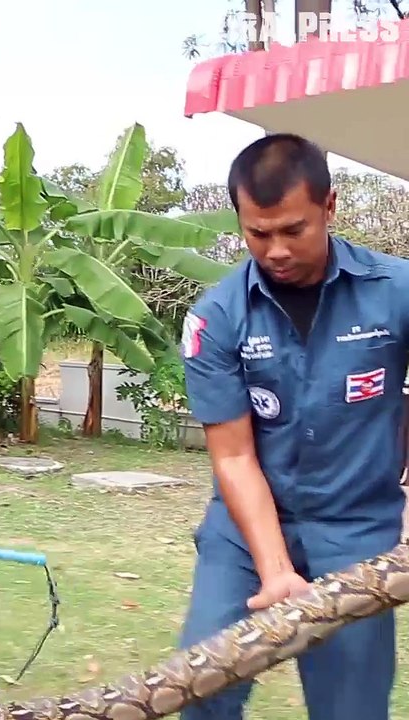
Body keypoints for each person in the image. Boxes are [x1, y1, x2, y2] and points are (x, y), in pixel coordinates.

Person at [178, 132, 408, 719]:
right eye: (258, 233)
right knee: (200, 689)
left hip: (358, 532)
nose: (275, 249)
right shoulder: (217, 317)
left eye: (293, 230)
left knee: (351, 710)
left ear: (329, 208)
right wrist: (275, 570)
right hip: (245, 535)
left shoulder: (397, 292)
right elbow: (232, 457)